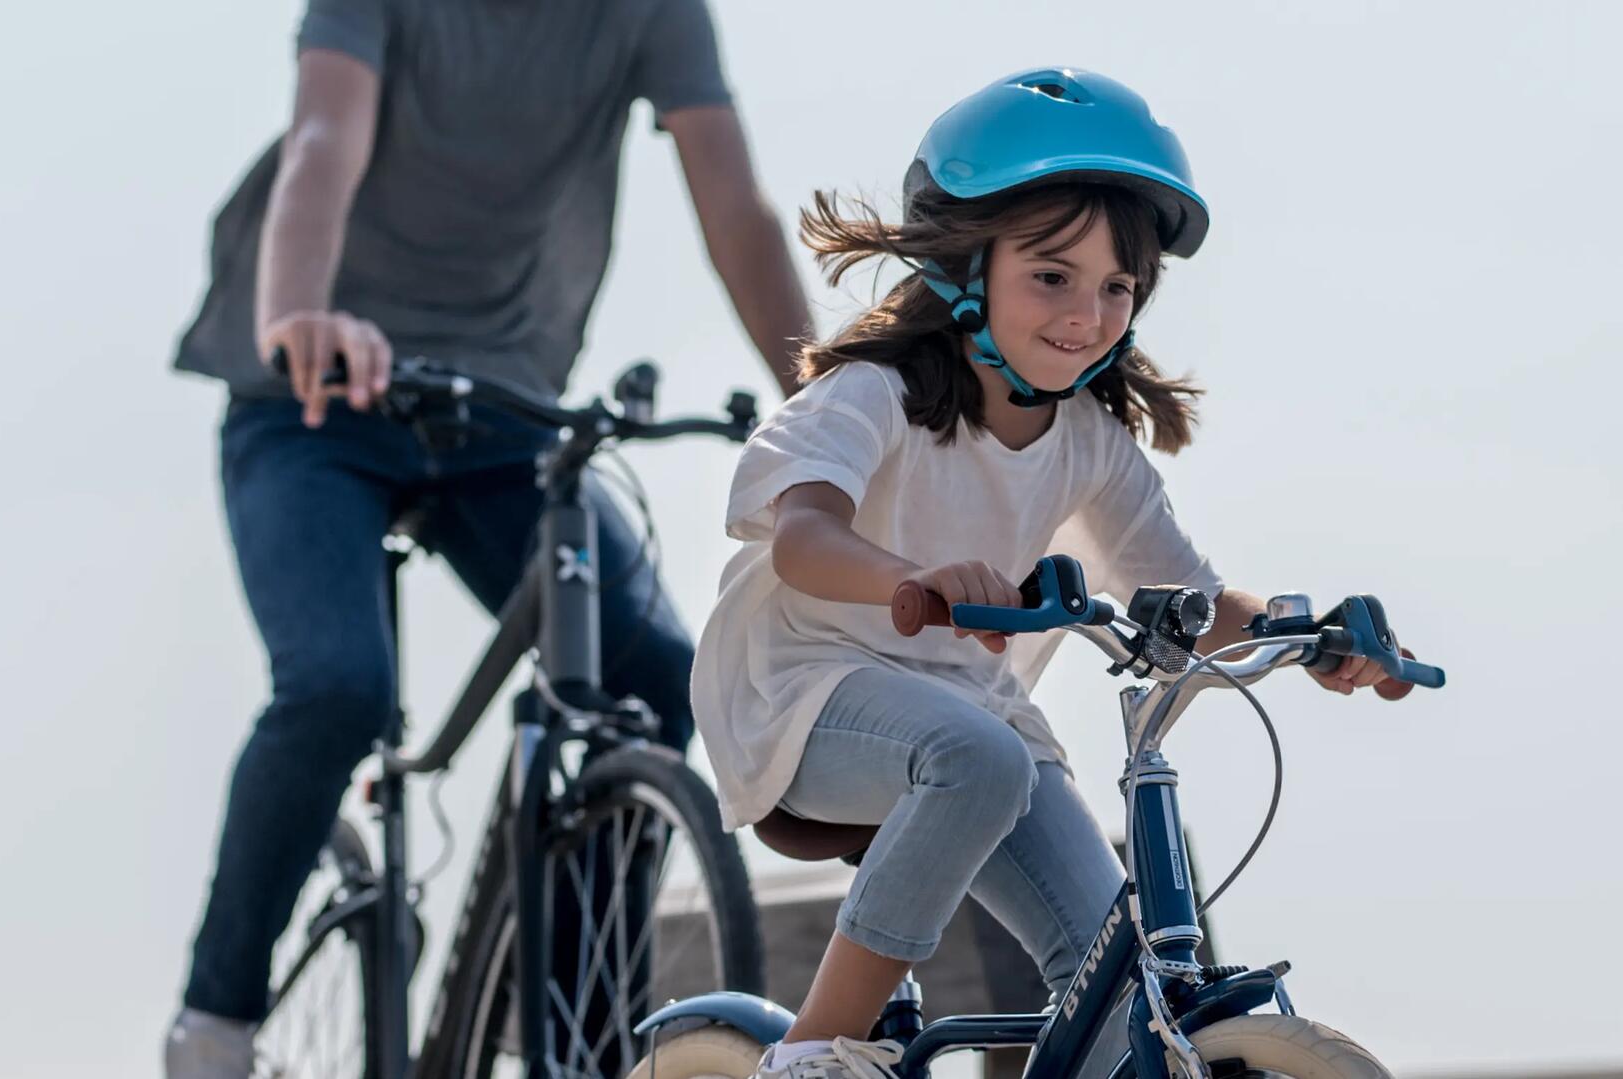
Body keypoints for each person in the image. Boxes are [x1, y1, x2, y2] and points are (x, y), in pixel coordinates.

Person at [687, 67, 1421, 1078]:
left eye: (1119, 285)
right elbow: (802, 535)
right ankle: (811, 1051)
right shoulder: (871, 394)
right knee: (981, 756)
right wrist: (912, 575)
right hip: (805, 696)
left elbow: (1191, 599)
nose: (1089, 312)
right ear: (961, 267)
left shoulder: (1090, 440)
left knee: (1125, 991)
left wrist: (1311, 631)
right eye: (1052, 275)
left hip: (976, 717)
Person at [164, 1, 812, 1074]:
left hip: (498, 407)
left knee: (656, 671)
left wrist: (824, 403)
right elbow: (323, 142)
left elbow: (735, 205)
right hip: (312, 396)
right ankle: (215, 1017)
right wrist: (294, 314)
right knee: (336, 684)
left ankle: (571, 1031)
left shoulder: (653, 14)